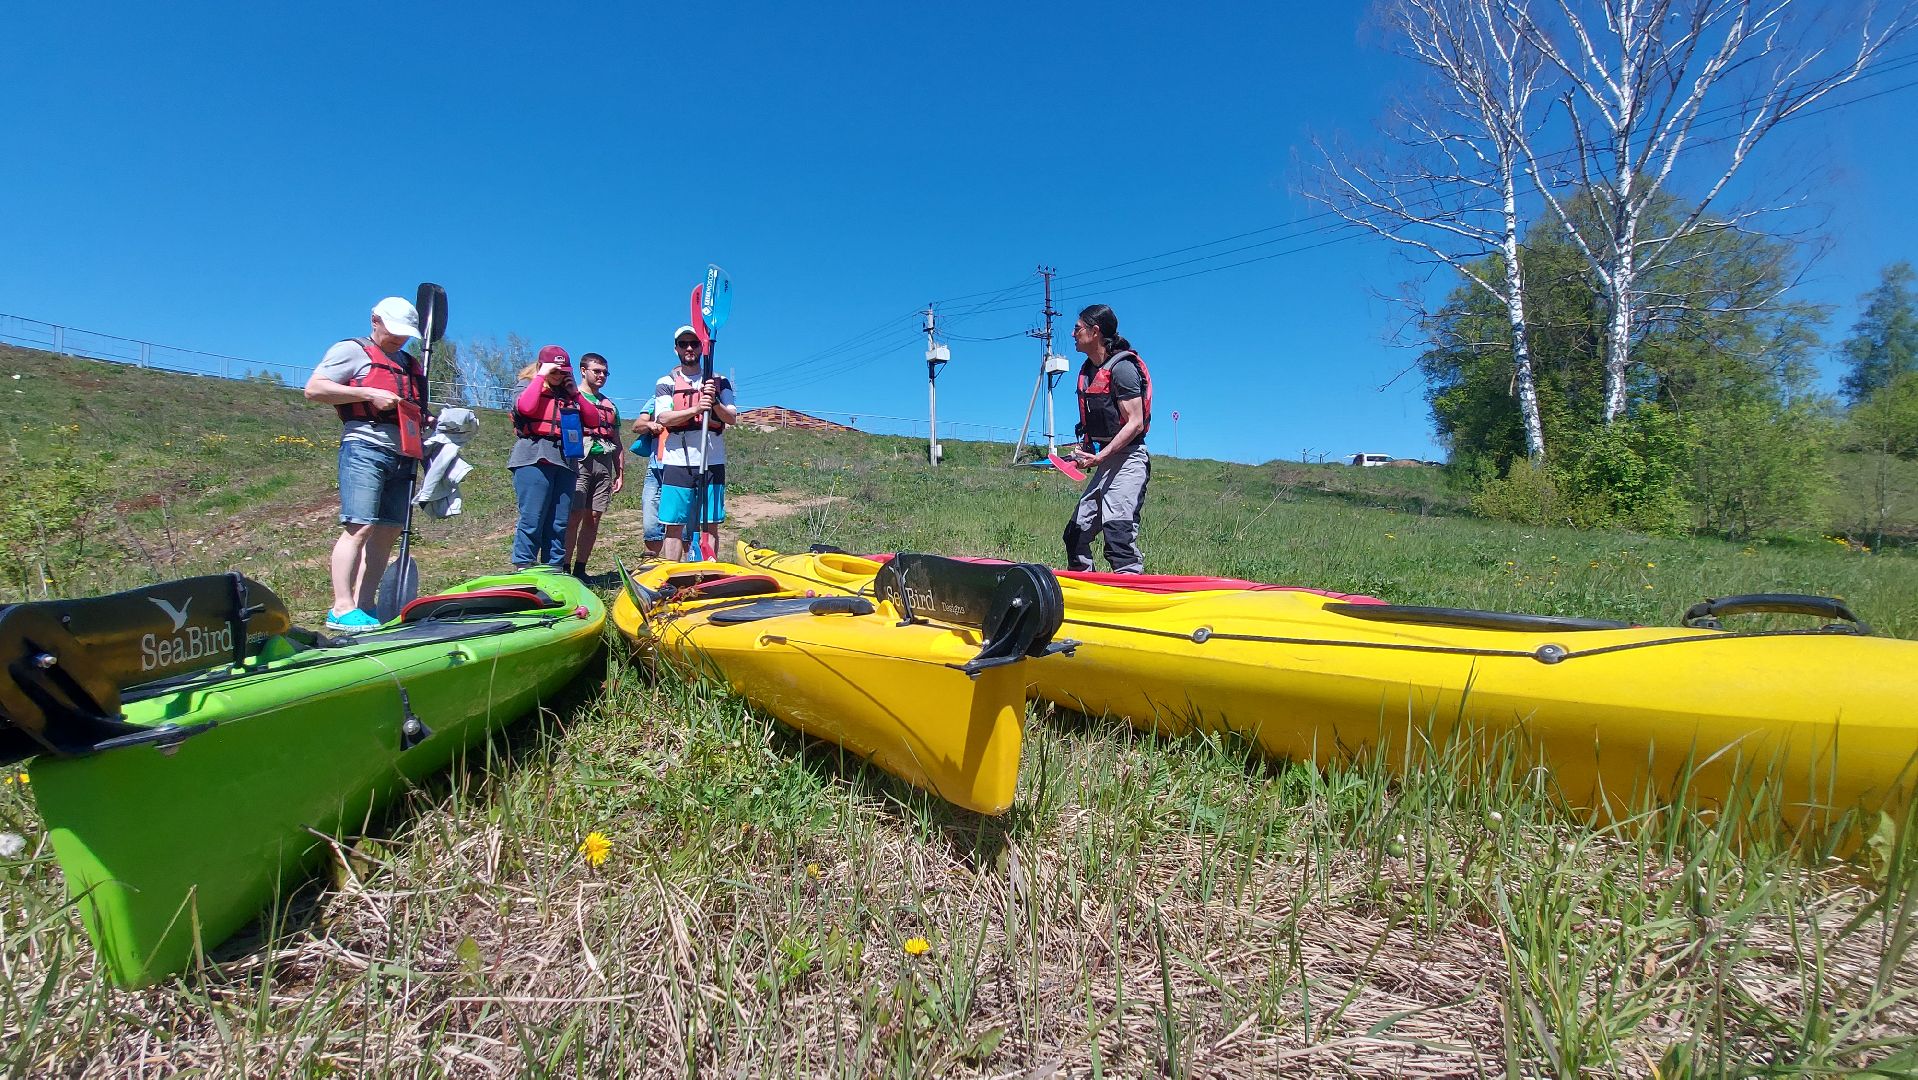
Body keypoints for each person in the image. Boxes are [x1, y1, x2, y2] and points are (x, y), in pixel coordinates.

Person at [303, 296, 428, 630]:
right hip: (365, 446)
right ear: (375, 320)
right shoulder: (351, 350)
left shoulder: (411, 364)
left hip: (404, 452)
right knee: (360, 526)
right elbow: (314, 389)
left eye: (405, 333)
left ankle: (364, 605)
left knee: (387, 531)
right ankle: (341, 607)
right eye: (394, 330)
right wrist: (369, 394)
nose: (400, 339)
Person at [1064, 303, 1152, 574]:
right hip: (1106, 461)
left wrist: (1101, 456)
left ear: (1095, 331)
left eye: (1077, 328)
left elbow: (1135, 422)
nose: (1072, 334)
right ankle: (1085, 590)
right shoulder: (1088, 371)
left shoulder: (1123, 369)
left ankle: (1130, 600)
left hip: (1129, 462)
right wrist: (1084, 454)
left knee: (1118, 538)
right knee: (1075, 535)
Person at [508, 345, 608, 569]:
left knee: (558, 521)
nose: (559, 375)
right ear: (542, 367)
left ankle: (554, 567)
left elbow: (593, 420)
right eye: (555, 370)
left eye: (563, 371)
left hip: (565, 462)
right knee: (532, 518)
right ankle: (524, 565)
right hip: (533, 458)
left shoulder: (570, 394)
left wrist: (575, 394)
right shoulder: (526, 386)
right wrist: (541, 376)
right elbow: (525, 407)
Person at [653, 325, 737, 561]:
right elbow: (663, 417)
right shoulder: (666, 381)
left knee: (710, 523)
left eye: (694, 343)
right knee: (674, 523)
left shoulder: (719, 381)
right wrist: (696, 408)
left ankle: (707, 573)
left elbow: (731, 417)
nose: (689, 348)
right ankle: (673, 575)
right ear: (676, 349)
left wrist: (714, 403)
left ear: (702, 347)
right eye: (683, 344)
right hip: (677, 459)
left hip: (712, 459)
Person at [561, 352, 623, 579]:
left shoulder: (610, 405)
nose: (602, 376)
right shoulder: (570, 398)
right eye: (597, 371)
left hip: (604, 463)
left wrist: (620, 472)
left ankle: (580, 569)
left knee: (594, 516)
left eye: (605, 372)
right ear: (583, 370)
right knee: (574, 514)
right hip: (579, 461)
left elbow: (617, 441)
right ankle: (564, 567)